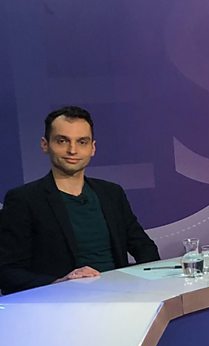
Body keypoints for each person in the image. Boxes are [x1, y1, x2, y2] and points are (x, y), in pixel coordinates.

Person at [0, 106, 160, 294]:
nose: (72, 150)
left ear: (92, 148)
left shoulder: (111, 193)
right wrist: (58, 282)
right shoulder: (24, 199)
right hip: (63, 302)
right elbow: (7, 271)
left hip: (120, 297)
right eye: (62, 141)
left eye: (82, 142)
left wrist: (146, 286)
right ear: (45, 144)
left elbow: (144, 247)